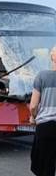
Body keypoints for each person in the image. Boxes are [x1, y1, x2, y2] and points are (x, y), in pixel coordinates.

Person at [30, 46, 56, 176]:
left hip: (46, 126)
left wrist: (33, 117)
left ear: (52, 57)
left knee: (44, 167)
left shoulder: (42, 76)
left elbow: (33, 105)